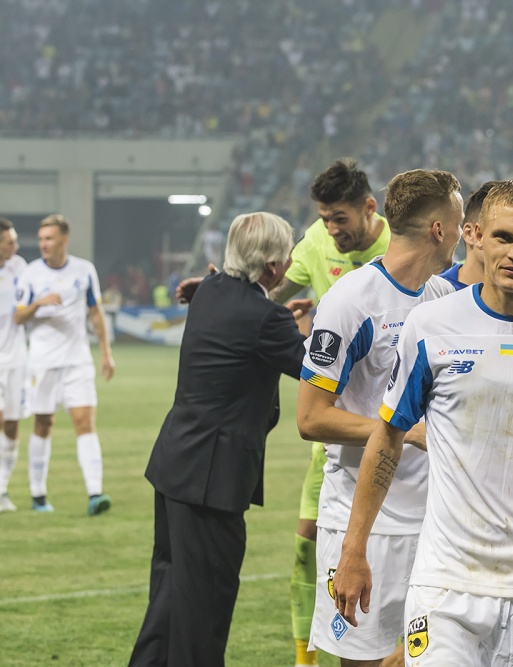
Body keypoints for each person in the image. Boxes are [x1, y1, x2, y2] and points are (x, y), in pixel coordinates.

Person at [332, 175, 513, 665]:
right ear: (478, 236)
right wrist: (353, 547)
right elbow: (388, 436)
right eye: (504, 237)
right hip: (448, 586)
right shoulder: (432, 325)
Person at [130, 212, 312, 667]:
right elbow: (319, 370)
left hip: (175, 464)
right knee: (204, 606)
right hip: (212, 481)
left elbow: (240, 321)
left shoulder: (209, 291)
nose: (291, 262)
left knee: (169, 597)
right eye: (287, 255)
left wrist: (278, 324)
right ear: (272, 266)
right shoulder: (266, 318)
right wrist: (315, 327)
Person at [296, 169, 462, 667]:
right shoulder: (350, 302)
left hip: (433, 521)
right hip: (363, 524)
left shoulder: (440, 299)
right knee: (362, 660)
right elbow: (311, 418)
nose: (462, 234)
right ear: (438, 230)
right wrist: (403, 432)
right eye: (459, 223)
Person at [279, 160, 391, 667]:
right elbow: (272, 293)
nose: (331, 229)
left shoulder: (401, 248)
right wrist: (228, 290)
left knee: (388, 547)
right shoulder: (315, 243)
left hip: (396, 431)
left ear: (369, 208)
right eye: (324, 218)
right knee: (307, 544)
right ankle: (305, 657)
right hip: (335, 427)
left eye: (339, 218)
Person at [14, 214, 115, 515]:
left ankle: (95, 493)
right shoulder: (31, 274)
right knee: (43, 424)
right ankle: (38, 495)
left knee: (85, 423)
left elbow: (95, 312)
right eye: (41, 239)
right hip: (42, 363)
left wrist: (106, 352)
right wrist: (38, 303)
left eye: (49, 238)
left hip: (77, 361)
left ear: (64, 239)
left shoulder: (84, 270)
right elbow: (18, 317)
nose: (43, 244)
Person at [0, 219, 28, 512]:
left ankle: (2, 488)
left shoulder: (19, 267)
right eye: (9, 242)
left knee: (11, 425)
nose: (15, 247)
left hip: (17, 359)